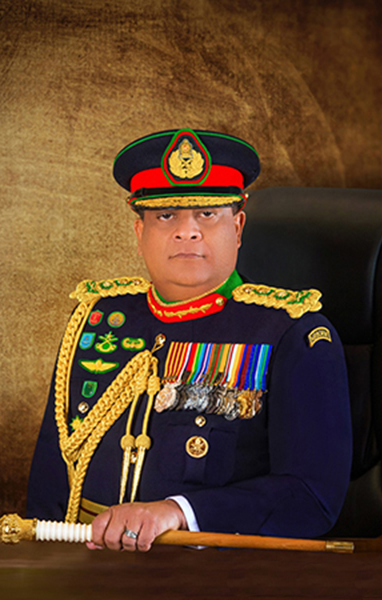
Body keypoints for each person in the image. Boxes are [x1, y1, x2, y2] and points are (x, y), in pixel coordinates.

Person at [26, 128, 352, 552]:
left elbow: (312, 497)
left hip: (216, 570)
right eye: (166, 216)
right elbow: (53, 472)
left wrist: (178, 511)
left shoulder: (291, 333)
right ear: (139, 231)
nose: (187, 232)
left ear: (238, 227)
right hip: (86, 559)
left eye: (207, 214)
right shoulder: (96, 319)